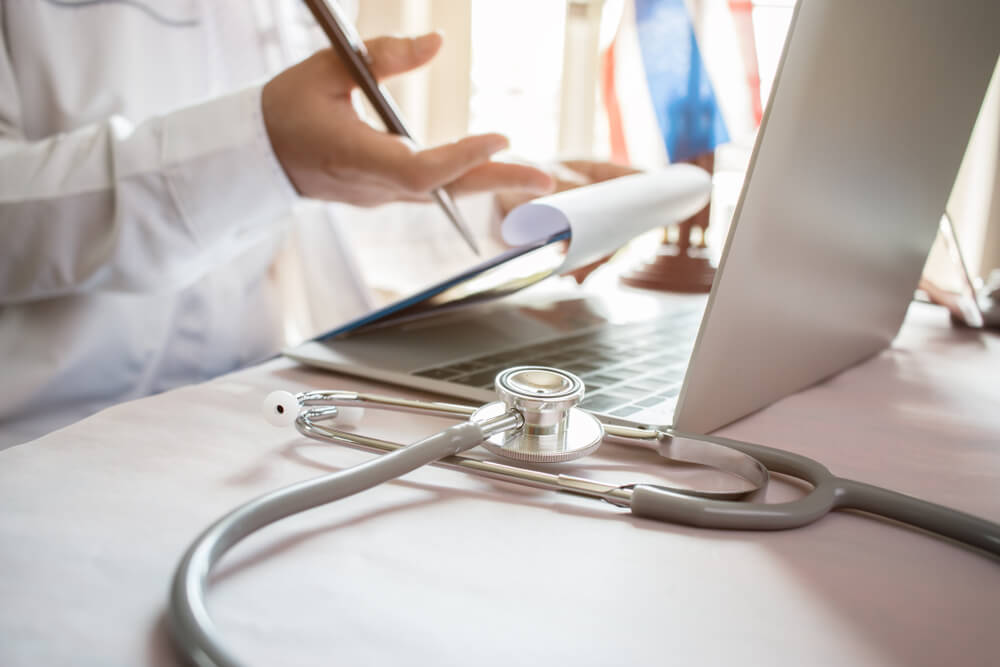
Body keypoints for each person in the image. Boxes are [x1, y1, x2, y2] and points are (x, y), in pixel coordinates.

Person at [0, 1, 630, 448]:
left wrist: (503, 212)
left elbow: (284, 213)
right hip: (42, 441)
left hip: (252, 416)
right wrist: (257, 148)